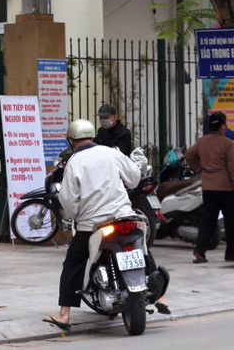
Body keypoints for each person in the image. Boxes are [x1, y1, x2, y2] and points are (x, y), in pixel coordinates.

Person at [43, 120, 167, 330]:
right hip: (124, 217)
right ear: (93, 136)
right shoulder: (112, 153)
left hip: (93, 224)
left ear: (72, 140)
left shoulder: (74, 161)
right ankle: (162, 297)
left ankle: (64, 314)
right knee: (143, 250)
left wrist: (76, 216)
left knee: (73, 263)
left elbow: (68, 200)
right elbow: (134, 178)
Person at [185, 111, 234, 263]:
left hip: (208, 186)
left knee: (208, 220)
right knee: (231, 221)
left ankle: (199, 251)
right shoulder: (227, 143)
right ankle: (232, 254)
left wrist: (200, 169)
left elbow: (189, 155)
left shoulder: (203, 141)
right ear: (223, 126)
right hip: (226, 188)